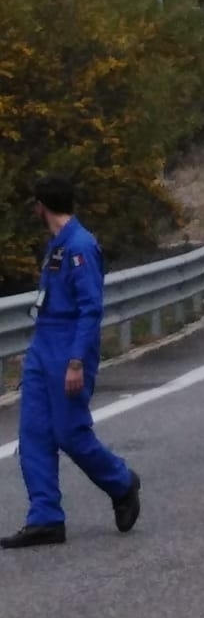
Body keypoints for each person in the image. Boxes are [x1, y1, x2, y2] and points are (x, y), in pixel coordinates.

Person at [2, 177, 140, 549]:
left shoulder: (81, 246)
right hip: (43, 344)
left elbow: (90, 309)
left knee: (70, 433)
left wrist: (76, 361)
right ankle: (45, 517)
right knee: (33, 434)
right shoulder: (56, 247)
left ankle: (122, 482)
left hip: (69, 349)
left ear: (40, 206)